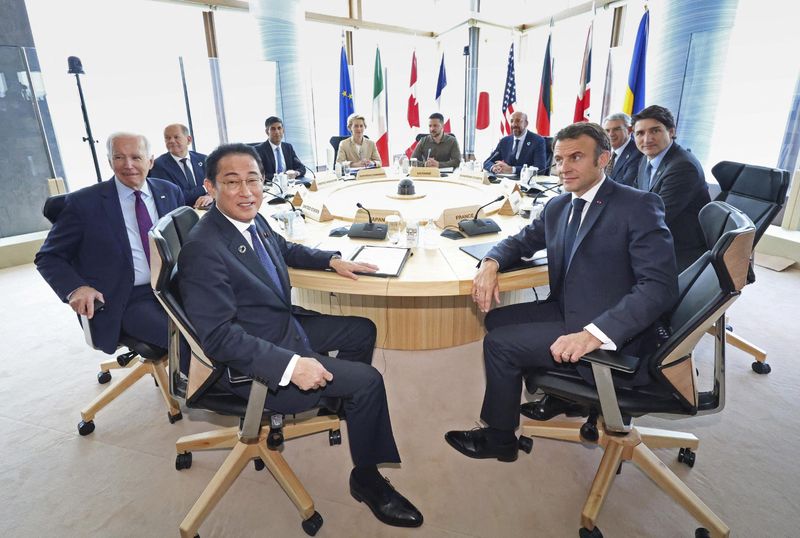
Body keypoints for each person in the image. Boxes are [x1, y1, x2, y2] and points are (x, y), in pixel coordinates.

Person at [177, 143, 423, 528]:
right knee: (368, 382)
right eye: (232, 182)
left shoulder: (248, 218)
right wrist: (292, 367)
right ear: (210, 187)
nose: (246, 191)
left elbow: (282, 248)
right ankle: (367, 479)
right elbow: (220, 338)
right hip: (255, 362)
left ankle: (340, 402)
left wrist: (330, 259)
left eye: (253, 180)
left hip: (277, 323)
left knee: (362, 330)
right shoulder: (203, 249)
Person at [444, 122, 678, 462]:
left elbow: (659, 287)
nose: (564, 167)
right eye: (558, 159)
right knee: (497, 321)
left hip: (614, 330)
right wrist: (491, 262)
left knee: (499, 345)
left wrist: (593, 335)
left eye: (576, 157)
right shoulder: (559, 206)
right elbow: (521, 241)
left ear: (604, 160)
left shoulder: (637, 205)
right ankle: (563, 393)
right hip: (569, 307)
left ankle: (499, 439)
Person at [35, 133, 184, 353]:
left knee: (224, 324)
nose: (128, 165)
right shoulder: (83, 204)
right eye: (119, 157)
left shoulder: (168, 191)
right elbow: (48, 257)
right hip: (127, 298)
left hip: (175, 287)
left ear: (151, 161)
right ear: (109, 161)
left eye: (136, 157)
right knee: (184, 341)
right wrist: (76, 288)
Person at [632, 105, 711, 271]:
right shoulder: (647, 158)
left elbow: (658, 216)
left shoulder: (683, 166)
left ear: (671, 132)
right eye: (640, 133)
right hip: (656, 233)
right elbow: (633, 195)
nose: (647, 139)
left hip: (678, 245)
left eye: (655, 131)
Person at [149, 123, 211, 208]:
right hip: (181, 214)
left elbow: (218, 185)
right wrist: (205, 188)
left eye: (176, 137)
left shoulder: (203, 159)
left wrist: (210, 196)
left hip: (209, 210)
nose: (171, 141)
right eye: (167, 138)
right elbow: (174, 196)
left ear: (189, 140)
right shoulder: (158, 165)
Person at [483, 111, 547, 176]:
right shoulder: (504, 141)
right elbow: (487, 162)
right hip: (505, 182)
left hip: (526, 182)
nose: (514, 124)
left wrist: (512, 169)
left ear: (526, 123)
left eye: (518, 121)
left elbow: (540, 169)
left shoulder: (537, 140)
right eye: (511, 121)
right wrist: (494, 167)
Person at [255, 116, 310, 187]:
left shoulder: (288, 147)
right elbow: (259, 174)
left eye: (279, 128)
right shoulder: (259, 150)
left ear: (283, 130)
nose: (277, 132)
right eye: (273, 129)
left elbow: (301, 167)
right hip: (271, 187)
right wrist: (283, 177)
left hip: (290, 186)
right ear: (267, 132)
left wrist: (295, 173)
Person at [602, 112, 643, 186]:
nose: (611, 134)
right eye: (607, 130)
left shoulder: (638, 153)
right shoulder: (604, 153)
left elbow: (626, 185)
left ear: (630, 130)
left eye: (617, 129)